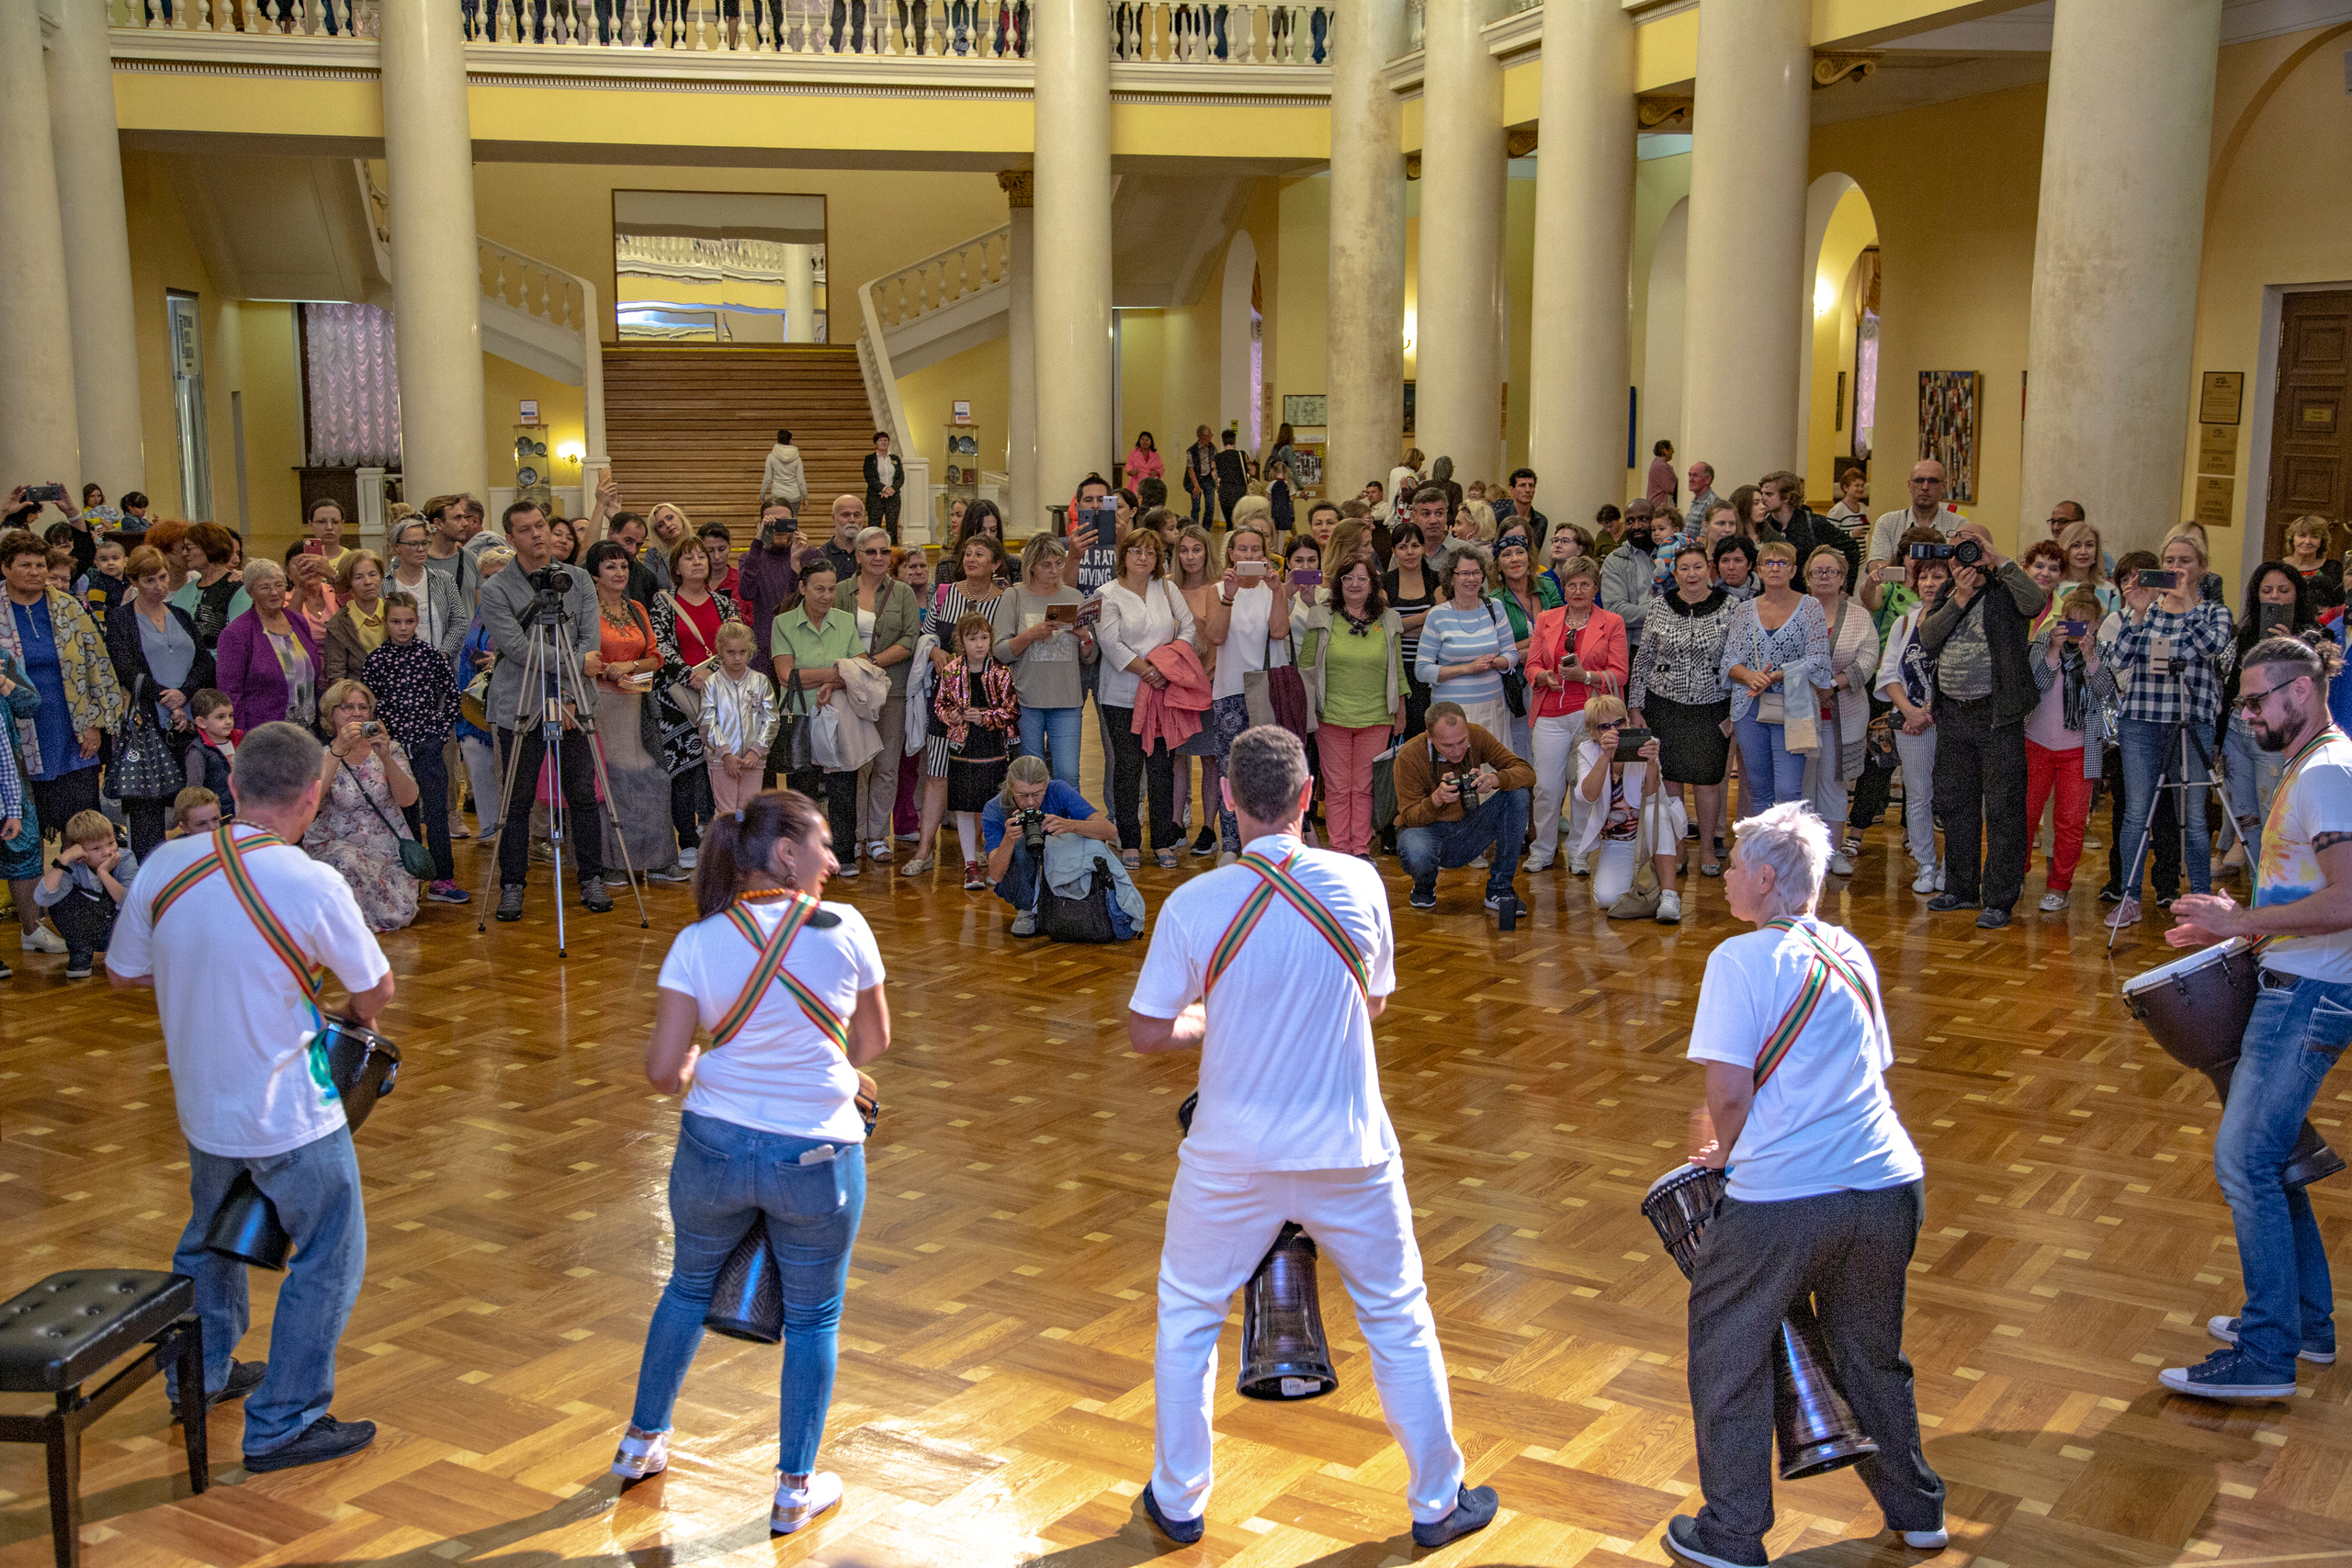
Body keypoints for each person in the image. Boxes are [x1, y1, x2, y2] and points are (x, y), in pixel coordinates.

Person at [1125, 724, 1498, 1551]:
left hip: (1230, 1155)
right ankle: (1438, 1500)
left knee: (1187, 1314)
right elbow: (1372, 1004)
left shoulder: (1196, 902)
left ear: (1226, 799)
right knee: (1398, 1314)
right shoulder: (1360, 882)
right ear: (1307, 797)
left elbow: (1147, 1032)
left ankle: (1179, 1499)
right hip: (1351, 1149)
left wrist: (1205, 1019)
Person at [1668, 801, 1944, 1568]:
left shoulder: (1738, 959)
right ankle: (1919, 1510)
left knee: (1728, 1352)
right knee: (1868, 1354)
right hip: (1889, 1185)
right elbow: (1865, 1070)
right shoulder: (1851, 950)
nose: (1721, 873)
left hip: (1782, 1203)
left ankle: (1732, 1533)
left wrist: (1724, 1152)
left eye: (1731, 863)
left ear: (1764, 877)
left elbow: (1728, 1093)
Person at [108, 721, 391, 1472]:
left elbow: (122, 972)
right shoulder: (311, 880)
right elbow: (375, 988)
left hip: (203, 1103)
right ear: (314, 795)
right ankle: (285, 1422)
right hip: (292, 1109)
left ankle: (197, 1378)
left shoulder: (164, 865)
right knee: (330, 1254)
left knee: (209, 1238)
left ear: (232, 786)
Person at [614, 789, 889, 1530]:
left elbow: (663, 1070)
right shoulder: (846, 927)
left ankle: (640, 1442)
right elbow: (873, 1042)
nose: (833, 860)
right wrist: (822, 1063)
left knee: (686, 1286)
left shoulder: (697, 941)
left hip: (713, 1147)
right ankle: (794, 1488)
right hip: (818, 1152)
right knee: (814, 1316)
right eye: (823, 844)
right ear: (786, 853)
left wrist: (699, 1065)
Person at [2158, 636, 2352, 1401]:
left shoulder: (2329, 774)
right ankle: (2305, 1324)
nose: (2248, 714)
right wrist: (2236, 924)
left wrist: (2241, 922)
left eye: (2258, 698)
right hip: (2299, 984)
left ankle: (2267, 1354)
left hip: (2309, 996)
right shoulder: (2317, 768)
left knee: (2245, 1161)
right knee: (2269, 1160)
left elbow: (2347, 899)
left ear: (2301, 691)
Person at [481, 502, 614, 921]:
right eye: (526, 529)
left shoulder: (576, 579)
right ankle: (512, 885)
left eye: (540, 525)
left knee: (582, 793)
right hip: (520, 701)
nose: (537, 534)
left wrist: (574, 682)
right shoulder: (495, 589)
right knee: (516, 800)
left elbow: (590, 639)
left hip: (574, 700)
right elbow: (517, 649)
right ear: (511, 539)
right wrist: (576, 664)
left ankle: (591, 877)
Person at [1917, 523, 2048, 930]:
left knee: (2005, 808)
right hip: (1953, 714)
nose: (1965, 553)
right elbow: (1928, 637)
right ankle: (1960, 888)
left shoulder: (2006, 585)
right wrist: (1960, 596)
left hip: (1997, 714)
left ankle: (1999, 898)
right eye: (1958, 546)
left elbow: (2035, 603)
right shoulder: (1949, 591)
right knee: (1956, 804)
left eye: (1973, 544)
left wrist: (2000, 561)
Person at [2105, 528, 2231, 928]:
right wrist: (2139, 613)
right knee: (2136, 814)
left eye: (2185, 562)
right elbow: (2120, 659)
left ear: (2201, 568)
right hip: (2141, 721)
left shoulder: (2214, 612)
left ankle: (2201, 903)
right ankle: (2128, 898)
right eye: (2171, 562)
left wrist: (2186, 606)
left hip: (2193, 722)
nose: (2176, 568)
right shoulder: (2147, 610)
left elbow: (2211, 648)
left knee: (2193, 817)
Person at [2, 530, 123, 885]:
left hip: (72, 729)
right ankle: (33, 903)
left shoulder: (69, 607)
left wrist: (96, 724)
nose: (36, 572)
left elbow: (98, 666)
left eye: (41, 564)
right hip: (16, 734)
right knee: (27, 823)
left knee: (79, 818)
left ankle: (77, 896)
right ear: (6, 568)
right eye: (25, 565)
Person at [583, 539, 688, 885]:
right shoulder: (585, 612)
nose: (619, 572)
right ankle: (612, 864)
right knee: (612, 783)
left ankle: (658, 861)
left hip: (636, 702)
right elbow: (576, 657)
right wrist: (605, 669)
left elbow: (655, 657)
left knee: (654, 780)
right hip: (600, 705)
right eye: (610, 566)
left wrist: (628, 663)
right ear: (595, 574)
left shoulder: (637, 609)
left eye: (624, 566)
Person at [904, 533, 1010, 875]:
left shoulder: (1005, 600)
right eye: (968, 553)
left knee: (981, 775)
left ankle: (978, 847)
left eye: (980, 554)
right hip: (948, 698)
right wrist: (934, 650)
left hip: (986, 702)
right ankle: (923, 850)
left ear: (995, 564)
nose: (971, 558)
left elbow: (1005, 645)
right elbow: (927, 633)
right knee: (937, 774)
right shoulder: (944, 593)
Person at [1634, 543, 1739, 878]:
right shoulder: (1660, 606)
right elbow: (1644, 658)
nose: (1691, 575)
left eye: (1697, 567)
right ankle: (1677, 847)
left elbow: (1739, 661)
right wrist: (1635, 706)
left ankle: (1708, 846)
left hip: (1712, 706)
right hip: (1664, 705)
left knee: (1708, 782)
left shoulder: (1732, 606)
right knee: (1673, 780)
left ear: (1709, 569)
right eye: (1684, 569)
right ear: (1674, 573)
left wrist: (1736, 710)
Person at [2222, 564, 2333, 873]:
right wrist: (2218, 740)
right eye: (2266, 591)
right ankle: (2260, 886)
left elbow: (2316, 688)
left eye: (2284, 591)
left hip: (2277, 737)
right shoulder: (2245, 633)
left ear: (2298, 593)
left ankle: (2277, 891)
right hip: (2236, 731)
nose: (2275, 598)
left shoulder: (2318, 635)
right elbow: (2231, 686)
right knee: (2244, 817)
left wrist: (2295, 645)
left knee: (2274, 815)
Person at [107, 544, 214, 863]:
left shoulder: (179, 614)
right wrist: (166, 697)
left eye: (163, 577)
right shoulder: (122, 618)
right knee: (148, 808)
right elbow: (125, 668)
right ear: (135, 581)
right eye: (150, 580)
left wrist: (185, 694)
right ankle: (150, 881)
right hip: (148, 722)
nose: (159, 586)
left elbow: (204, 661)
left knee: (194, 801)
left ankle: (195, 869)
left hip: (189, 719)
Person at [1096, 530, 1196, 870]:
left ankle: (1163, 841)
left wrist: (1166, 667)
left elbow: (1189, 630)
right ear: (1123, 555)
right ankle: (1129, 842)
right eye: (1136, 551)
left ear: (1158, 559)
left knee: (1162, 768)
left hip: (1163, 693)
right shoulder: (1106, 595)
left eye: (1150, 553)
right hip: (1121, 695)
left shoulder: (1167, 589)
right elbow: (1110, 643)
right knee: (1127, 768)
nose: (1143, 558)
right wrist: (1147, 670)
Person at [361, 593, 468, 904]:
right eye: (396, 621)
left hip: (427, 745)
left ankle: (442, 878)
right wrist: (380, 739)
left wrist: (438, 730)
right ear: (386, 622)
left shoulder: (432, 656)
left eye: (409, 621)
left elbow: (452, 694)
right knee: (402, 812)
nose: (403, 627)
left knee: (435, 811)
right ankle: (408, 876)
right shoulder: (377, 660)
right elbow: (369, 703)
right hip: (392, 750)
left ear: (418, 621)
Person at [1524, 557, 1627, 876]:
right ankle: (1542, 849)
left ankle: (1580, 851)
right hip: (1549, 714)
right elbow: (1530, 666)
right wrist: (1543, 676)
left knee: (1584, 787)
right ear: (1563, 588)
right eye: (1571, 584)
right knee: (1546, 787)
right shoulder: (1546, 619)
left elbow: (1620, 674)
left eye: (1585, 583)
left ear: (1596, 587)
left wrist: (1585, 676)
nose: (1578, 590)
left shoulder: (1612, 622)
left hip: (1592, 716)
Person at [1201, 523, 1296, 864]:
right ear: (1231, 554)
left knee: (1271, 770)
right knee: (1231, 771)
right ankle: (1230, 844)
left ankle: (1270, 843)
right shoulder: (1218, 590)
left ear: (1266, 554)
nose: (1249, 555)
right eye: (1242, 549)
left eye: (1256, 550)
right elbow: (1215, 637)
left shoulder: (1275, 588)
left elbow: (1279, 630)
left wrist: (1278, 591)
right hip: (1229, 690)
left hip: (1269, 691)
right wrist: (1229, 595)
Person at [1297, 555, 1404, 859]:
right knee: (1338, 788)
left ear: (1373, 585)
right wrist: (1306, 714)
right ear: (1338, 584)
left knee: (1365, 787)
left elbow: (1398, 670)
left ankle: (1360, 850)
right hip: (1330, 716)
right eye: (1347, 578)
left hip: (1377, 717)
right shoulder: (1321, 616)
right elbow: (1306, 665)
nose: (1354, 584)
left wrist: (1401, 712)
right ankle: (1340, 850)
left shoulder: (1389, 619)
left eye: (1361, 579)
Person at [1720, 542, 1831, 816]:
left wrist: (1777, 675)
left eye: (1782, 563)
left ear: (1794, 570)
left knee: (1788, 791)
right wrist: (1750, 677)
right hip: (1749, 707)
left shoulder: (1810, 607)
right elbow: (1729, 660)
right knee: (1759, 791)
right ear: (1758, 569)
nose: (1775, 568)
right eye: (1769, 563)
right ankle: (1762, 856)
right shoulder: (1745, 610)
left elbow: (1818, 658)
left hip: (1793, 706)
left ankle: (1787, 856)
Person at [649, 533, 739, 870]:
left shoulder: (724, 603)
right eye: (689, 558)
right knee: (684, 770)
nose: (698, 561)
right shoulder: (663, 601)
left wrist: (712, 674)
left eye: (701, 556)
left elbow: (736, 643)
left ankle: (720, 836)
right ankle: (686, 839)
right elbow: (660, 645)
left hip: (719, 695)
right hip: (677, 699)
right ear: (676, 568)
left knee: (722, 766)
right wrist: (690, 676)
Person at [771, 554, 865, 876]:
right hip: (799, 715)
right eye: (819, 589)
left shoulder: (845, 620)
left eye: (831, 589)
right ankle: (803, 857)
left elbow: (860, 668)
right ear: (802, 588)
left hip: (839, 714)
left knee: (843, 786)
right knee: (802, 792)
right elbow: (786, 676)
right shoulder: (783, 623)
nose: (826, 596)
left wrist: (830, 677)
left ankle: (844, 853)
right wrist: (834, 673)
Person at [304, 679, 424, 932]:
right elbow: (310, 804)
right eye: (347, 707)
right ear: (331, 714)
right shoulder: (321, 756)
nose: (357, 713)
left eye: (363, 707)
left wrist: (385, 757)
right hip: (336, 844)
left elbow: (408, 799)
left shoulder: (391, 749)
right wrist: (337, 752)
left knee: (401, 914)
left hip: (388, 848)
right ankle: (348, 926)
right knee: (347, 861)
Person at [2024, 586, 2115, 913]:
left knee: (2070, 822)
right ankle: (2015, 876)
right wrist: (2052, 651)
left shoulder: (2102, 651)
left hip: (2080, 749)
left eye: (2084, 624)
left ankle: (2059, 885)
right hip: (2036, 742)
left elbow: (2105, 690)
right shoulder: (2041, 645)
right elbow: (2035, 687)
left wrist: (2090, 658)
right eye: (2069, 621)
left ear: (2096, 624)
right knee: (2025, 816)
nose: (2076, 629)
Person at [1394, 703, 1533, 913]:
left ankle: (1500, 888)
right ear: (1430, 737)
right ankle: (1424, 885)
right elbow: (1409, 817)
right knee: (1416, 850)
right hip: (1426, 831)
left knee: (1518, 794)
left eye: (1462, 741)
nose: (1457, 750)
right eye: (1448, 745)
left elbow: (1527, 772)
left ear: (1467, 729)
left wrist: (1496, 779)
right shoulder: (1410, 755)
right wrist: (1436, 800)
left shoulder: (1477, 735)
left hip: (1468, 828)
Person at [1801, 545, 1881, 878]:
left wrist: (1832, 685)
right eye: (1817, 571)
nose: (1824, 577)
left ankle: (1832, 853)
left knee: (1834, 786)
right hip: (1800, 713)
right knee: (1801, 787)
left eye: (1831, 571)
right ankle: (1803, 855)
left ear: (1843, 577)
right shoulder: (1796, 611)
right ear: (1805, 578)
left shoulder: (1860, 615)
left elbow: (1868, 660)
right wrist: (1809, 688)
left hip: (1843, 713)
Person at [991, 535, 1094, 794]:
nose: (1054, 571)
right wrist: (1030, 635)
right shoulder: (1014, 596)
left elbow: (1090, 657)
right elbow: (1000, 651)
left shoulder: (1074, 596)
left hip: (1068, 699)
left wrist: (1086, 638)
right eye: (1047, 565)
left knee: (1068, 774)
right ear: (1032, 566)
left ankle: (1069, 831)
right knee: (1030, 774)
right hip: (1027, 700)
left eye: (1059, 563)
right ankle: (1034, 830)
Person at [1877, 534, 1951, 894]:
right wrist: (1908, 710)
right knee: (1918, 794)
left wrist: (1932, 711)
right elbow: (1889, 672)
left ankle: (1953, 866)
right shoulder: (1903, 624)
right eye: (1924, 577)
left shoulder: (1958, 620)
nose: (1929, 583)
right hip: (1912, 723)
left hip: (1950, 722)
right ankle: (1926, 864)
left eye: (1938, 577)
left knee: (1952, 796)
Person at [841, 526, 920, 864]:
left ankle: (877, 836)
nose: (878, 558)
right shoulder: (841, 591)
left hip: (893, 688)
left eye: (884, 552)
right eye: (870, 551)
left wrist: (870, 663)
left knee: (887, 765)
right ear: (857, 556)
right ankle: (855, 834)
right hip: (851, 691)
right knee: (858, 765)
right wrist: (858, 671)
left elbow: (909, 639)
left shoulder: (902, 592)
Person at [983, 751, 1124, 936]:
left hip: (1063, 870)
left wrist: (1069, 825)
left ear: (1047, 785)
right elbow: (995, 874)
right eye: (1023, 795)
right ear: (1010, 788)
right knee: (1019, 844)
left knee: (1079, 837)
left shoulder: (1058, 790)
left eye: (1038, 794)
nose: (1031, 802)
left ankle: (1065, 902)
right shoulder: (994, 809)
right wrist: (1008, 840)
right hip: (1019, 881)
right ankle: (1026, 910)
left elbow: (1110, 831)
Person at [1574, 697, 1685, 921]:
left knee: (1658, 813)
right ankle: (1650, 887)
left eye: (1619, 723)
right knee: (1607, 899)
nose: (1614, 730)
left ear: (1627, 723)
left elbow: (1653, 798)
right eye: (1605, 726)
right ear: (1592, 732)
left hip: (1650, 830)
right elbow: (1586, 796)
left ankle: (1669, 895)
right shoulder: (1587, 751)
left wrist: (1652, 764)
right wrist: (1605, 756)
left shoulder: (1646, 743)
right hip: (1617, 839)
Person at [932, 612, 1020, 891]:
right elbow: (940, 706)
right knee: (965, 807)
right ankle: (970, 865)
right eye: (973, 639)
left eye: (984, 638)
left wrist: (986, 718)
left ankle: (996, 861)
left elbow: (1011, 711)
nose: (979, 644)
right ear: (961, 641)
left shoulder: (1000, 672)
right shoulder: (952, 671)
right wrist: (954, 716)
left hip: (993, 746)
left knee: (994, 805)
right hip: (963, 747)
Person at [1417, 544, 1515, 739]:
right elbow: (1422, 670)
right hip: (1450, 713)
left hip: (1492, 707)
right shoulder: (1437, 615)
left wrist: (1496, 662)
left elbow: (1511, 654)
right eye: (1464, 573)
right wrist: (1467, 668)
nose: (1471, 579)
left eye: (1476, 573)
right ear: (1451, 578)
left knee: (1490, 766)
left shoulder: (1494, 607)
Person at [38, 808, 136, 979]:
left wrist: (104, 874)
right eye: (96, 847)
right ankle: (80, 952)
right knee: (59, 900)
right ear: (79, 850)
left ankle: (128, 953)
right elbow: (43, 898)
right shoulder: (73, 865)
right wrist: (63, 861)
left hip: (120, 929)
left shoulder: (125, 858)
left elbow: (132, 903)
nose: (107, 852)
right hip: (88, 927)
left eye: (111, 843)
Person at [698, 622, 779, 818]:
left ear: (750, 651)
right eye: (731, 652)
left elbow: (771, 719)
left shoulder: (760, 681)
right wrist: (725, 754)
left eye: (742, 652)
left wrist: (756, 751)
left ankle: (746, 849)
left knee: (748, 813)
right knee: (725, 813)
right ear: (720, 651)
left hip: (753, 761)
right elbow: (707, 723)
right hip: (721, 761)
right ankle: (726, 849)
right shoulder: (711, 684)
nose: (737, 658)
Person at [383, 517, 469, 665]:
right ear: (397, 547)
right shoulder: (385, 584)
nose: (421, 549)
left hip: (439, 668)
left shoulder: (444, 579)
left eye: (424, 543)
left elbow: (459, 621)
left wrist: (442, 655)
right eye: (413, 544)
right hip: (398, 669)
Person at [736, 500, 802, 690]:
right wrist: (758, 542)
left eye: (784, 522)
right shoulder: (750, 559)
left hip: (800, 649)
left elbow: (795, 602)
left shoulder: (809, 555)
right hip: (763, 651)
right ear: (761, 525)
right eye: (772, 523)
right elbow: (746, 592)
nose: (779, 528)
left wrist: (795, 564)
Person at [1382, 524, 1439, 743]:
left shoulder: (1436, 579)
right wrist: (1427, 616)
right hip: (1397, 670)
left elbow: (1442, 624)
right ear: (1394, 551)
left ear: (1424, 548)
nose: (1410, 552)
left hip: (1430, 668)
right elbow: (1385, 627)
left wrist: (1401, 626)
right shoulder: (1384, 581)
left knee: (1428, 733)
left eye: (1415, 545)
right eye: (1403, 546)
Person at [1865, 459, 1963, 576]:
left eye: (1932, 481)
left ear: (1943, 487)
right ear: (1909, 485)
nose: (1925, 487)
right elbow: (1877, 571)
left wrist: (1897, 565)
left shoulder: (1959, 525)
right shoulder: (1887, 523)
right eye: (1919, 480)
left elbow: (1961, 570)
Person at [168, 521, 251, 653]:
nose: (184, 553)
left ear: (209, 548)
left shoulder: (238, 590)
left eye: (189, 547)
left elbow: (241, 641)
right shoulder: (184, 591)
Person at [1600, 502, 1660, 658]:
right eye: (1630, 521)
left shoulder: (1674, 554)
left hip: (1675, 644)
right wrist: (1666, 612)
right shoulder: (1615, 560)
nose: (1636, 526)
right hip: (1635, 648)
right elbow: (1616, 610)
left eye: (1643, 519)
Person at [322, 549, 390, 684]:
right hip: (358, 700)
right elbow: (336, 675)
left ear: (381, 576)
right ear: (349, 582)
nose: (368, 582)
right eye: (359, 577)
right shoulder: (338, 625)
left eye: (373, 574)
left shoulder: (397, 612)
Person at [185, 689, 237, 818]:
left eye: (230, 715)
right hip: (217, 818)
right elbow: (194, 790)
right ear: (202, 722)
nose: (228, 721)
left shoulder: (238, 741)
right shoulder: (198, 751)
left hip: (241, 813)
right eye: (220, 717)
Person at [2282, 514, 2342, 613]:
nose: (2307, 541)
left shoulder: (2334, 568)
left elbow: (2341, 603)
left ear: (2322, 541)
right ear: (2292, 539)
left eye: (2314, 537)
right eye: (2302, 536)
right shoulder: (2278, 567)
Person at [864, 431, 903, 543]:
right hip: (876, 497)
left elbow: (900, 477)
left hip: (893, 497)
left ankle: (893, 550)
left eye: (885, 440)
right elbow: (870, 478)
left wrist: (892, 489)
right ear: (876, 443)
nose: (883, 442)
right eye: (880, 440)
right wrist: (884, 488)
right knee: (874, 527)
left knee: (892, 526)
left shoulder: (894, 458)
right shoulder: (870, 459)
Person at [302, 498, 353, 576]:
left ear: (342, 525)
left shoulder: (352, 559)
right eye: (322, 522)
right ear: (311, 525)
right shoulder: (301, 560)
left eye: (335, 522)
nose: (329, 527)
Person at [762, 426, 808, 509]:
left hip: (777, 495)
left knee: (778, 520)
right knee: (792, 520)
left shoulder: (771, 457)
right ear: (790, 441)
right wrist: (805, 497)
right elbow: (801, 481)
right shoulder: (797, 459)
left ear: (778, 441)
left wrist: (762, 495)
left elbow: (767, 479)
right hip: (794, 495)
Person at [1182, 424, 1217, 526]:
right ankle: (1194, 528)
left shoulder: (1212, 448)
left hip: (1208, 479)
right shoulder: (1192, 450)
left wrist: (1215, 478)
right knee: (1196, 507)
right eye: (1209, 433)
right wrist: (1196, 486)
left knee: (1210, 506)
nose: (1212, 435)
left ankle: (1206, 529)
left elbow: (1214, 464)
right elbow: (1190, 469)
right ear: (1203, 436)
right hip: (1196, 480)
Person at [1821, 467, 1870, 541]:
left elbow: (1866, 527)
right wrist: (1850, 534)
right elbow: (1828, 536)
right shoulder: (1837, 510)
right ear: (1845, 487)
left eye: (1862, 485)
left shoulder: (1862, 507)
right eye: (1857, 485)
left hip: (1860, 552)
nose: (1861, 489)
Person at [1212, 428, 1248, 525]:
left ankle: (1229, 538)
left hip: (1225, 492)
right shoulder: (1241, 455)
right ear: (1235, 441)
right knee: (1239, 522)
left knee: (1229, 523)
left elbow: (1215, 475)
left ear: (1223, 442)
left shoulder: (1218, 457)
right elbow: (1250, 471)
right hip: (1239, 491)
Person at [1645, 438, 1678, 510]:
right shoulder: (1661, 466)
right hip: (1659, 505)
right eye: (1671, 449)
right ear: (1665, 451)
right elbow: (1671, 488)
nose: (1673, 451)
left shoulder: (1656, 463)